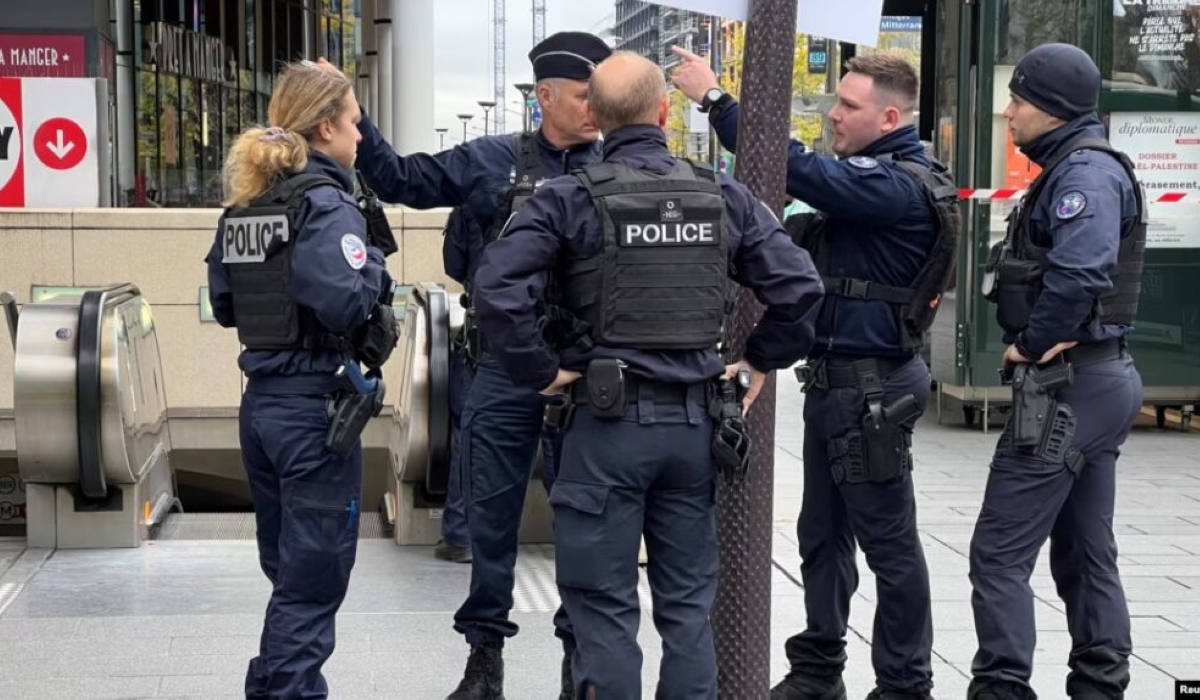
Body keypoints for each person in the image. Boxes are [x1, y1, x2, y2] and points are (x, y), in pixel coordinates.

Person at [473, 50, 825, 700]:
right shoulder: (722, 195)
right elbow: (800, 287)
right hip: (694, 432)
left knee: (603, 611)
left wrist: (541, 370)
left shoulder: (568, 199)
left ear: (598, 118)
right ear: (664, 111)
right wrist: (755, 361)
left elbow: (495, 287)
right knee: (689, 614)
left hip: (604, 429)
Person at [673, 48, 961, 700]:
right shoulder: (874, 181)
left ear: (890, 115)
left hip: (872, 389)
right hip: (840, 385)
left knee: (888, 544)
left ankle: (905, 685)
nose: (834, 113)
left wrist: (715, 98)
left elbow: (796, 170)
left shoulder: (894, 186)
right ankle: (818, 670)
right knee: (821, 538)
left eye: (849, 106)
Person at [344, 31, 614, 699]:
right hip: (503, 368)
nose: (596, 110)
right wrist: (355, 114)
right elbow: (401, 179)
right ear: (544, 97)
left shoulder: (617, 167)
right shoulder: (492, 160)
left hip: (586, 372)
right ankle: (483, 661)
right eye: (585, 97)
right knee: (490, 521)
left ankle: (576, 663)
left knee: (586, 523)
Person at [205, 61, 397, 699]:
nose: (362, 137)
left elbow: (226, 303)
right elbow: (342, 302)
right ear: (325, 127)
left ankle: (276, 685)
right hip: (313, 410)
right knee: (313, 578)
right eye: (354, 122)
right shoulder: (326, 204)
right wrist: (370, 259)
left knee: (290, 570)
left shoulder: (248, 204)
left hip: (261, 408)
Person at [971, 43, 1145, 700]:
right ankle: (1100, 685)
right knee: (1084, 550)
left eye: (1017, 101)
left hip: (1069, 386)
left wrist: (1032, 344)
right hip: (1097, 381)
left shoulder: (1084, 176)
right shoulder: (1074, 167)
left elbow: (1079, 273)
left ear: (1049, 108)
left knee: (999, 555)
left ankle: (1001, 688)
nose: (1009, 113)